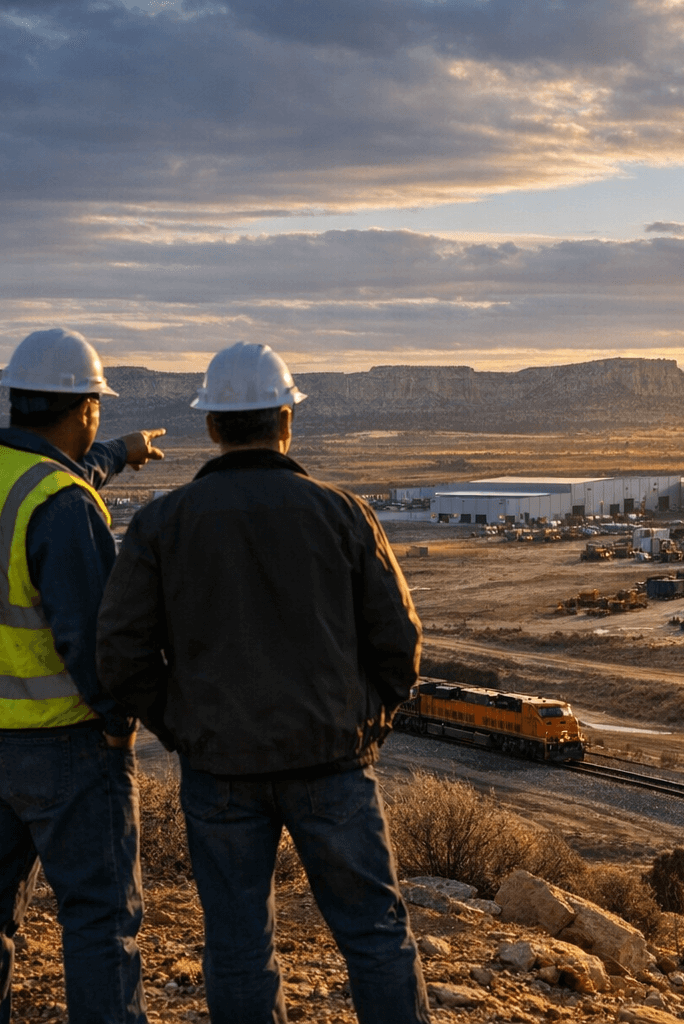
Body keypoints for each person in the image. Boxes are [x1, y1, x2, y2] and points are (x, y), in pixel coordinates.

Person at [96, 341, 430, 1024]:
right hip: (333, 765)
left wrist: (184, 726)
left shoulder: (163, 523)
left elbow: (122, 650)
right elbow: (399, 643)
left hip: (219, 770)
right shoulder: (342, 513)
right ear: (287, 418)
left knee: (240, 944)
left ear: (213, 426)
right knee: (373, 936)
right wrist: (366, 721)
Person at [0, 328, 165, 1024]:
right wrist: (119, 722)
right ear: (85, 406)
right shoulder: (61, 502)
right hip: (65, 743)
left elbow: (49, 488)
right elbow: (96, 641)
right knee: (99, 920)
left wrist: (117, 455)